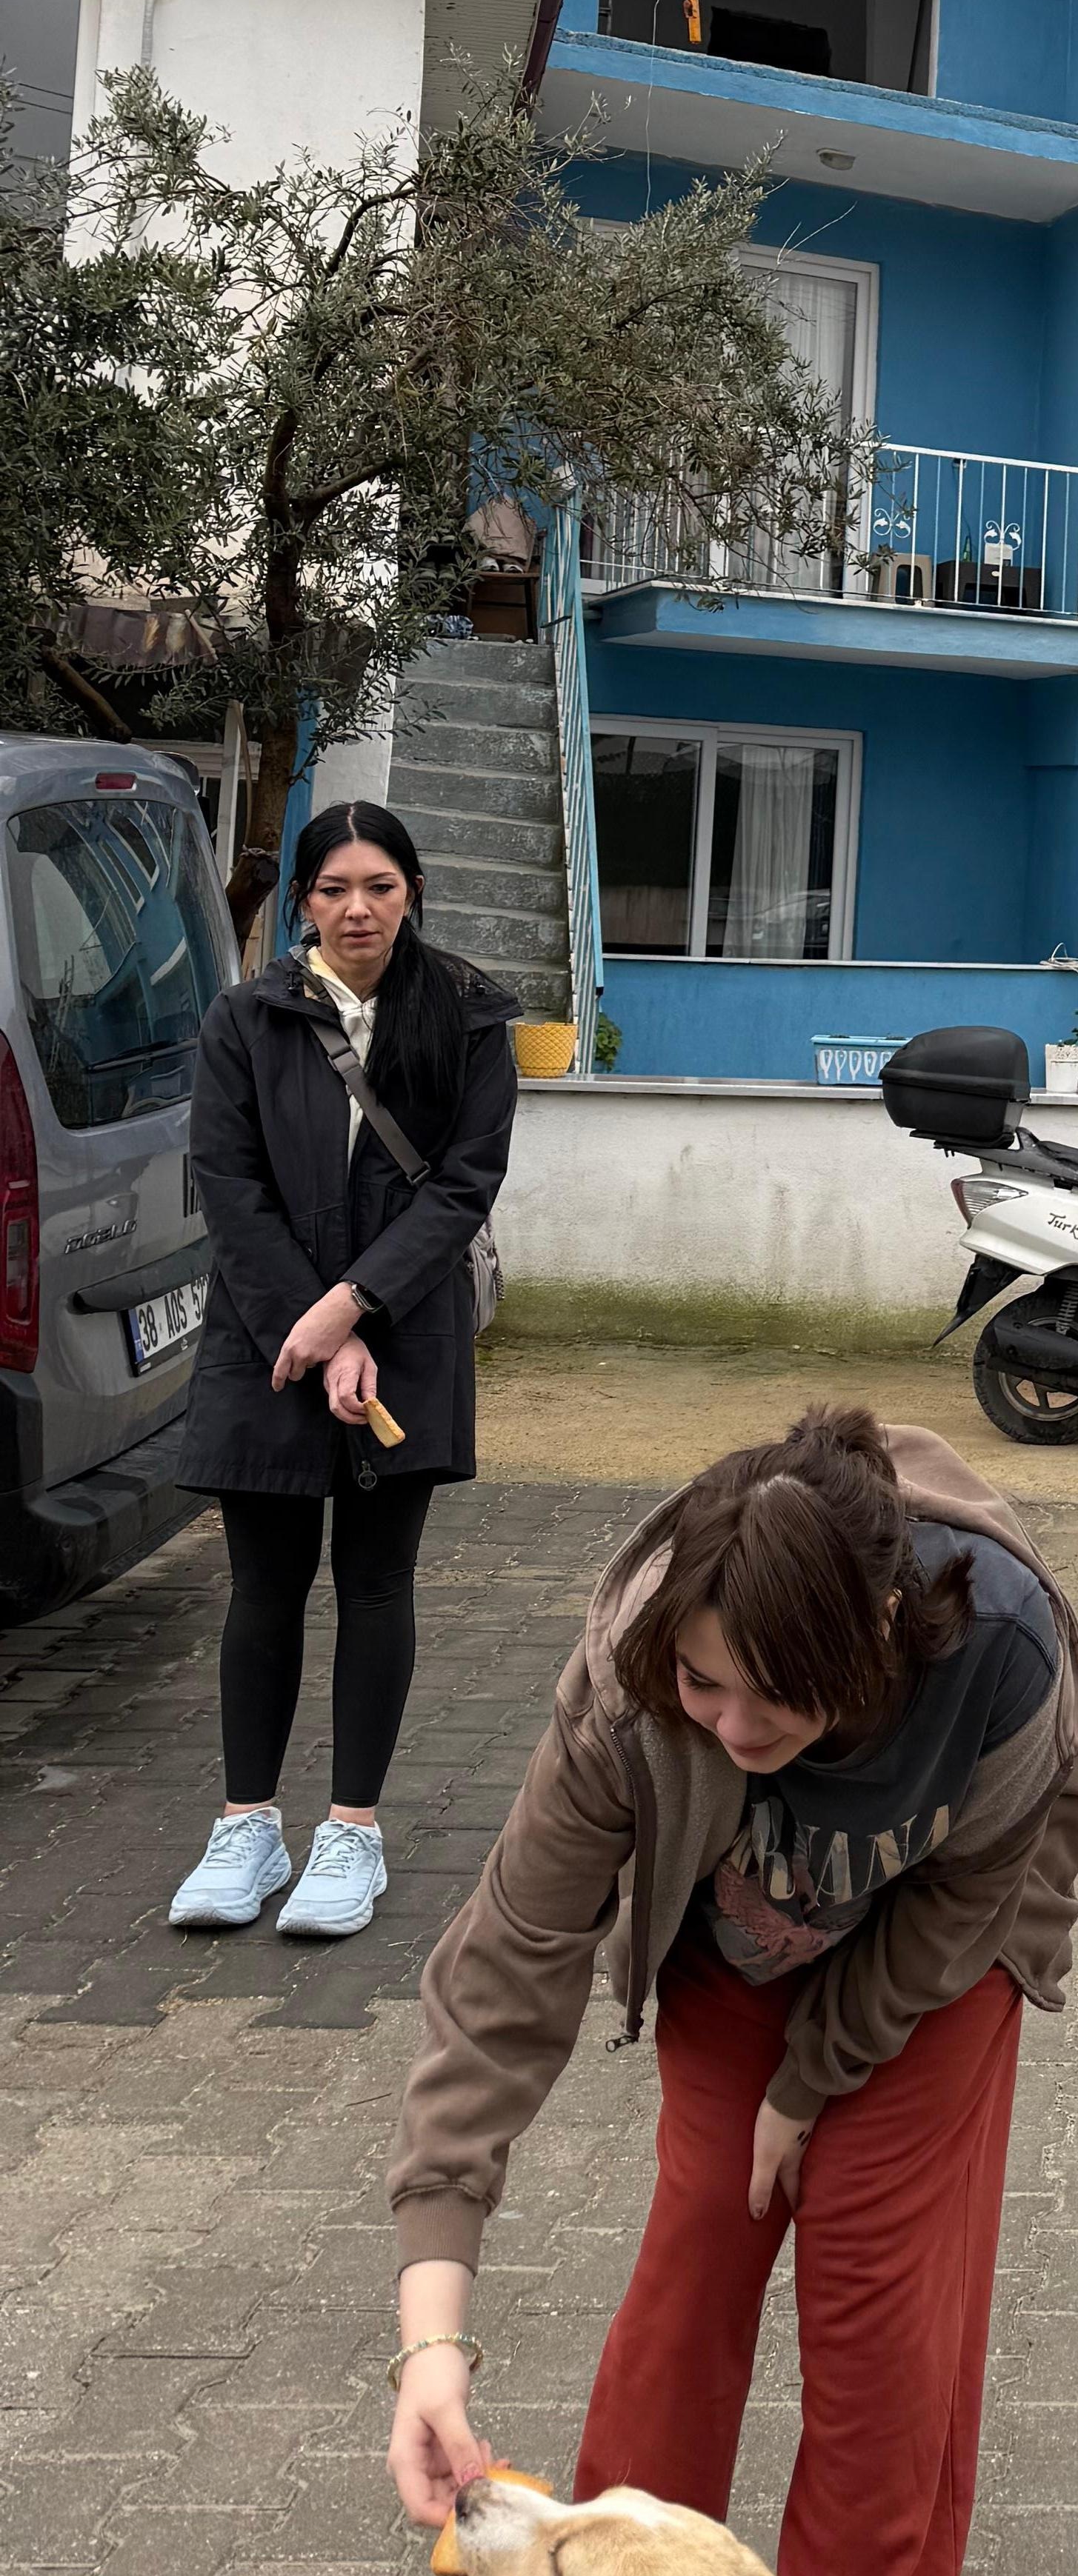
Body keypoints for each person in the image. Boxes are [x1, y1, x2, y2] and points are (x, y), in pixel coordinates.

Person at [382, 1405, 1078, 2576]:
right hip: (734, 1950)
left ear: (874, 1645)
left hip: (931, 1969)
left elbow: (971, 1895)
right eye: (704, 1686)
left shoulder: (998, 1658)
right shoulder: (632, 1684)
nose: (729, 1724)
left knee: (877, 2304)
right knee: (694, 2259)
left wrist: (815, 2075)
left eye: (775, 1697)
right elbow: (508, 1972)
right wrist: (429, 2339)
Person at [169, 798, 517, 1941]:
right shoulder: (246, 1018)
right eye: (333, 889)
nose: (357, 908)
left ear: (412, 892)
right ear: (303, 902)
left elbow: (463, 1186)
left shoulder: (468, 1016)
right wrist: (315, 1326)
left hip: (404, 1332)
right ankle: (246, 1825)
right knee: (263, 1586)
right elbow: (230, 1186)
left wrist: (356, 1306)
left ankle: (351, 1832)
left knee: (375, 1584)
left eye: (379, 886)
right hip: (268, 1341)